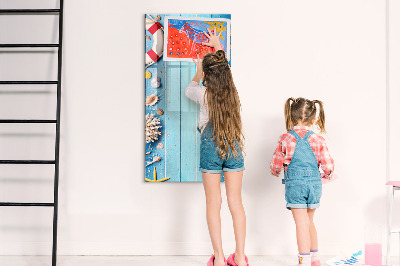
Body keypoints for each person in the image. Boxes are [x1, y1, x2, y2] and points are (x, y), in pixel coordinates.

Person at [184, 28, 248, 266]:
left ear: (208, 77)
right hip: (233, 146)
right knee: (236, 202)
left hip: (211, 147)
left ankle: (219, 259)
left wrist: (198, 72)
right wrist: (218, 45)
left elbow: (188, 89)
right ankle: (240, 257)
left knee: (214, 203)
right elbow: (225, 69)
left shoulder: (203, 94)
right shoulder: (233, 93)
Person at [270, 98, 335, 266]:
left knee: (301, 224)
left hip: (295, 186)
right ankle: (315, 260)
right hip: (314, 185)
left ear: (291, 117)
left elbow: (275, 164)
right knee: (309, 222)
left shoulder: (285, 138)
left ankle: (304, 261)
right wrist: (327, 176)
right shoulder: (318, 139)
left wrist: (275, 171)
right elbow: (328, 165)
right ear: (313, 120)